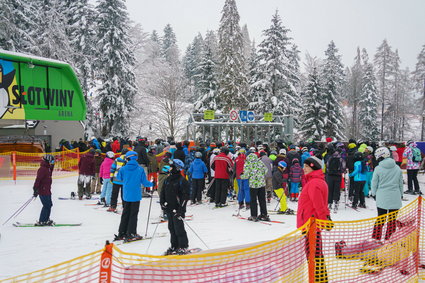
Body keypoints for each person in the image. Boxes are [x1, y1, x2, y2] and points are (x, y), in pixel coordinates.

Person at [297, 156, 330, 282]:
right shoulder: (316, 181)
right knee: (315, 253)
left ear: (313, 167)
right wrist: (326, 217)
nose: (303, 169)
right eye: (303, 166)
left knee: (313, 254)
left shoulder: (314, 183)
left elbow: (319, 205)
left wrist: (324, 220)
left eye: (306, 166)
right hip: (311, 222)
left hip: (310, 224)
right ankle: (320, 278)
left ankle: (318, 279)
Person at [114, 151, 153, 242]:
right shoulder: (140, 169)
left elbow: (119, 178)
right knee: (133, 214)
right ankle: (131, 232)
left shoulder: (123, 169)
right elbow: (145, 182)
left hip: (126, 194)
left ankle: (122, 232)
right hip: (135, 195)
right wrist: (152, 184)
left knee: (125, 213)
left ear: (127, 158)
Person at [371, 147, 403, 241]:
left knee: (380, 219)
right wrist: (401, 194)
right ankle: (389, 240)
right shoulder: (397, 168)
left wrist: (374, 194)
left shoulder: (378, 168)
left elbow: (374, 183)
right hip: (395, 196)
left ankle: (376, 239)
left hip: (382, 197)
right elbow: (400, 183)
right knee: (392, 220)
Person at [160, 159, 190, 255]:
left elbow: (185, 197)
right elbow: (163, 192)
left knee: (179, 228)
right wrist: (162, 202)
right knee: (171, 228)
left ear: (177, 168)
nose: (170, 168)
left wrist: (181, 210)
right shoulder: (168, 179)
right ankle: (174, 246)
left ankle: (183, 246)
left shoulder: (182, 181)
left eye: (172, 167)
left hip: (178, 209)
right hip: (169, 208)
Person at [240, 153, 269, 221]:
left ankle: (254, 215)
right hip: (261, 184)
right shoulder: (260, 162)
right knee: (262, 199)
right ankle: (264, 214)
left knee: (253, 200)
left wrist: (242, 176)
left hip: (253, 185)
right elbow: (266, 170)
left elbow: (246, 175)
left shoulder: (248, 164)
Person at [33, 154, 55, 226]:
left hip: (47, 190)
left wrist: (52, 165)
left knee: (49, 205)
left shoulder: (47, 168)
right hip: (43, 190)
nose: (52, 162)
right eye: (51, 160)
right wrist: (35, 189)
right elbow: (38, 180)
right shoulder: (42, 169)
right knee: (46, 205)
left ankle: (46, 219)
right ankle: (42, 220)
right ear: (48, 160)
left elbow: (50, 173)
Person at [108, 148, 129, 213]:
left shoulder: (117, 159)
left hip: (116, 179)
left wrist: (111, 177)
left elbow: (113, 168)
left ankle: (113, 206)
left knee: (114, 193)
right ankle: (125, 207)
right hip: (125, 180)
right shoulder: (129, 160)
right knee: (124, 194)